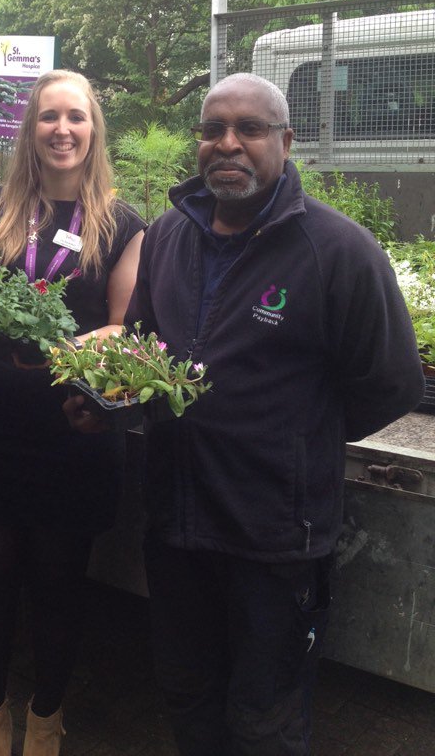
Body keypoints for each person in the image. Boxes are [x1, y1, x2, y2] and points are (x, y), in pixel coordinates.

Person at [125, 72, 425, 756]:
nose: (228, 143)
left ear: (285, 142)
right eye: (213, 129)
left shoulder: (338, 249)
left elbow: (394, 383)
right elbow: (145, 345)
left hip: (275, 537)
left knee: (265, 720)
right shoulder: (168, 236)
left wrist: (299, 437)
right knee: (186, 694)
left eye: (250, 129)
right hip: (175, 522)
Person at [0, 70, 145, 756]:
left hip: (72, 424)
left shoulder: (122, 223)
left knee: (59, 585)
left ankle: (47, 718)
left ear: (94, 130)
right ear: (30, 129)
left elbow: (123, 324)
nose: (62, 129)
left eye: (76, 117)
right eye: (48, 117)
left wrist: (78, 345)